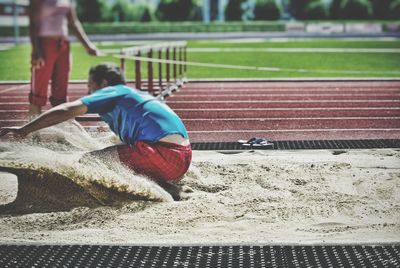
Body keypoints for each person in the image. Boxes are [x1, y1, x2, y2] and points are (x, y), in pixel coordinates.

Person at [0, 63, 192, 200]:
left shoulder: (113, 91)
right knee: (116, 152)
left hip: (163, 155)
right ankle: (164, 187)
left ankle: (98, 198)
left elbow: (66, 110)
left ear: (104, 84)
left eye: (91, 87)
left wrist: (24, 130)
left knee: (89, 162)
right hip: (182, 158)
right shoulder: (134, 95)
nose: (90, 93)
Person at [29, 0, 99, 118]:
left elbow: (74, 22)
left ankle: (62, 130)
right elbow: (33, 23)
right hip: (45, 44)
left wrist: (87, 46)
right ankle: (31, 132)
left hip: (63, 45)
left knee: (61, 89)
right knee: (38, 90)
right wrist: (35, 51)